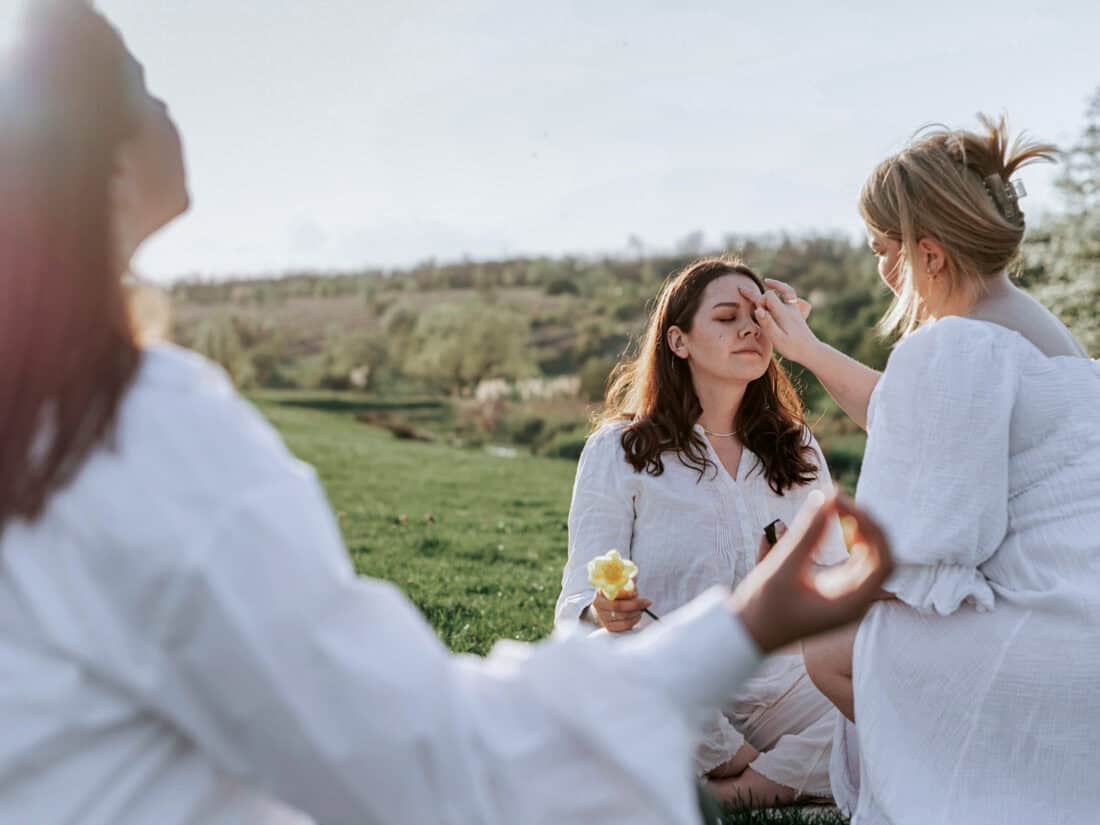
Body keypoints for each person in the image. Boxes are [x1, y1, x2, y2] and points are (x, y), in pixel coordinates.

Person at [0, 4, 894, 824]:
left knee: (863, 699)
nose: (171, 105)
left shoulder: (65, 413)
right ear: (97, 146)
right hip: (660, 681)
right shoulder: (143, 424)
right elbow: (423, 757)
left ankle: (744, 774)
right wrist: (737, 628)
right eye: (145, 84)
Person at [744, 116, 1100, 824]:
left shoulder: (954, 345)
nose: (881, 269)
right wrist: (810, 351)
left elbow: (925, 549)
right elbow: (922, 421)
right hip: (1084, 609)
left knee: (830, 648)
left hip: (1043, 634)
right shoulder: (1044, 337)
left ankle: (948, 794)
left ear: (929, 254)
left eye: (885, 250)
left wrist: (809, 576)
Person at [555, 258, 849, 807]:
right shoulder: (620, 451)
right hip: (675, 677)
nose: (749, 329)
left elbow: (835, 587)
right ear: (679, 341)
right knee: (605, 663)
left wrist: (793, 578)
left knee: (882, 701)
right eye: (727, 316)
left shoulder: (797, 446)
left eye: (759, 317)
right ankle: (762, 774)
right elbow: (578, 602)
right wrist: (603, 610)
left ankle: (734, 792)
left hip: (780, 685)